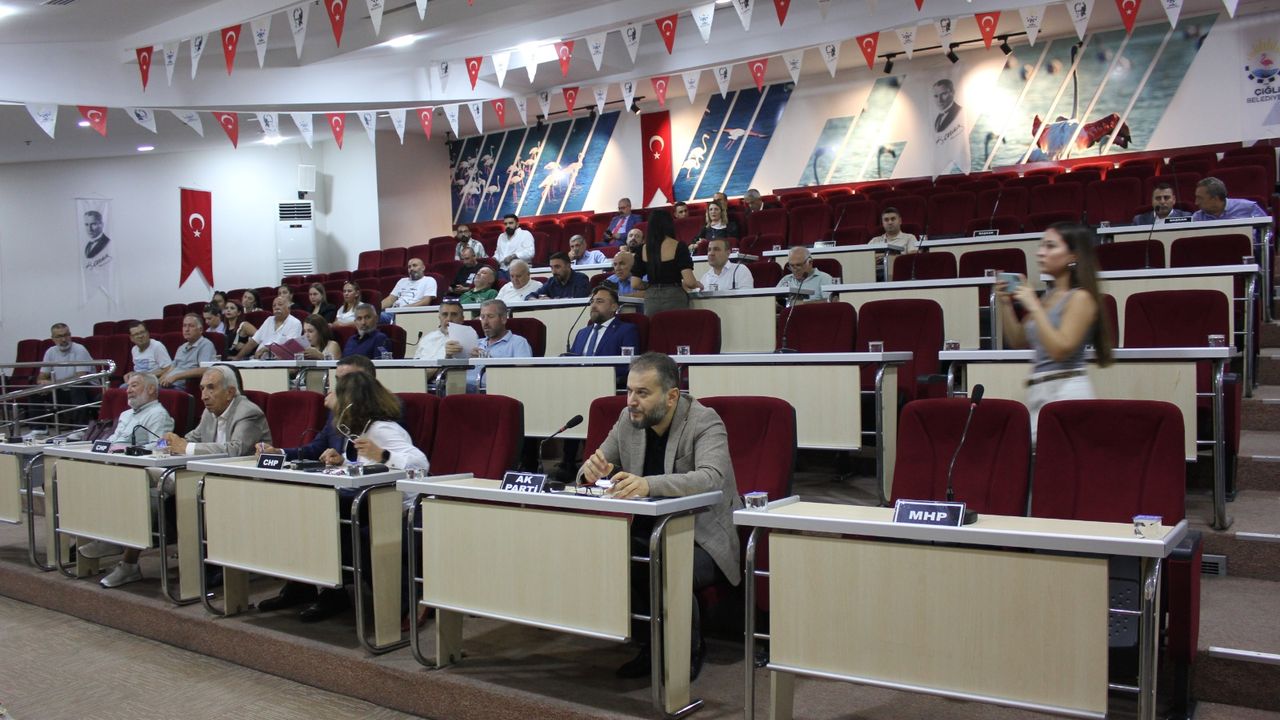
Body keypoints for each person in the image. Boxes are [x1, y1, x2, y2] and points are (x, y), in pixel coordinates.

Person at [580, 352, 742, 680]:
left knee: (664, 562)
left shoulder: (704, 421)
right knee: (610, 553)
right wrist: (589, 472)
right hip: (648, 531)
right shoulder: (629, 419)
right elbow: (592, 465)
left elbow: (712, 478)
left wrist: (648, 484)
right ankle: (650, 644)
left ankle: (686, 650)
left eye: (642, 393)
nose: (631, 401)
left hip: (701, 537)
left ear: (671, 396)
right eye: (629, 391)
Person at [256, 361, 426, 621]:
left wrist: (383, 454)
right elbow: (367, 466)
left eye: (336, 391)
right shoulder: (360, 429)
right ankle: (313, 585)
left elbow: (420, 464)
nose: (329, 394)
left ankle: (398, 603)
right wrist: (342, 461)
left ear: (350, 401)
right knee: (308, 510)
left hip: (395, 506)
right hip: (370, 499)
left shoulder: (383, 429)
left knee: (324, 515)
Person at [101, 366, 270, 589]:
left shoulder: (248, 412)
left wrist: (186, 448)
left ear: (230, 392)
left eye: (211, 388)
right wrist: (166, 443)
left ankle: (124, 549)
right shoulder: (210, 412)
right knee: (145, 488)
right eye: (202, 388)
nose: (204, 395)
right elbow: (192, 437)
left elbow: (236, 449)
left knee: (168, 490)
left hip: (242, 485)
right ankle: (116, 543)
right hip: (208, 479)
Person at [996, 222, 1113, 442]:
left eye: (1050, 246)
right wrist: (1004, 304)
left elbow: (1060, 349)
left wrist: (1033, 305)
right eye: (1041, 246)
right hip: (1039, 393)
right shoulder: (1048, 297)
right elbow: (1018, 338)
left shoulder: (1081, 298)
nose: (1040, 252)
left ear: (1072, 256)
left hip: (1067, 394)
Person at [75, 372, 177, 564]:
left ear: (151, 389)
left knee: (114, 487)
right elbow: (113, 440)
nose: (128, 390)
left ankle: (112, 539)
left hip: (141, 473)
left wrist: (125, 450)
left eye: (134, 385)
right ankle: (102, 536)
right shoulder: (126, 414)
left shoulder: (158, 414)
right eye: (128, 386)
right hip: (116, 468)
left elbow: (160, 446)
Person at [639, 210, 698, 317]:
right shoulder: (678, 246)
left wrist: (652, 286)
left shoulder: (643, 249)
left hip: (651, 298)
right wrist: (697, 284)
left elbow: (635, 283)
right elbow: (690, 282)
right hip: (674, 296)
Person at [466, 299, 533, 392]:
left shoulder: (518, 342)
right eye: (482, 317)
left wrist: (487, 358)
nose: (485, 322)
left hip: (494, 390)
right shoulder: (475, 343)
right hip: (463, 387)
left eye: (490, 316)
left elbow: (524, 374)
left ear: (503, 319)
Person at [36, 323, 95, 425]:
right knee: (35, 392)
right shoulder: (50, 352)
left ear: (70, 335)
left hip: (86, 388)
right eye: (59, 336)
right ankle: (39, 429)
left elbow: (80, 377)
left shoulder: (79, 349)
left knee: (77, 387)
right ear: (53, 338)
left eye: (66, 335)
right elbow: (41, 377)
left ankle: (79, 427)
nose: (63, 339)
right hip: (62, 388)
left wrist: (53, 383)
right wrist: (42, 383)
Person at [570, 287, 640, 357]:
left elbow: (628, 362)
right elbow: (571, 361)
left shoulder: (626, 331)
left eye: (599, 301)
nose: (593, 306)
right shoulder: (581, 333)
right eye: (592, 302)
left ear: (614, 307)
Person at [236, 295, 305, 360]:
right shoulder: (269, 320)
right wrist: (237, 358)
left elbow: (290, 348)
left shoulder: (295, 323)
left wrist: (267, 349)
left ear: (289, 308)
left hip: (279, 362)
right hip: (258, 360)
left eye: (280, 304)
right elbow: (253, 342)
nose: (276, 307)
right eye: (274, 305)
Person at [159, 314, 217, 389]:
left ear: (200, 330)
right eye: (184, 326)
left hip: (183, 387)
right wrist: (161, 378)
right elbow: (172, 367)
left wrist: (176, 377)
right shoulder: (181, 347)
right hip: (168, 385)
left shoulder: (206, 345)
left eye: (191, 326)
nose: (186, 329)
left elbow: (205, 369)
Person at [869, 206, 919, 280]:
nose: (890, 222)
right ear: (882, 223)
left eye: (893, 219)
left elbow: (913, 257)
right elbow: (864, 258)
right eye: (886, 220)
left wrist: (887, 258)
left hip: (899, 274)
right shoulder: (875, 240)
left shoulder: (909, 237)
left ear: (900, 221)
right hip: (874, 275)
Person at [380, 258, 437, 323]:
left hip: (409, 314)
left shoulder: (429, 280)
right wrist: (375, 308)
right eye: (409, 267)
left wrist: (403, 309)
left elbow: (426, 301)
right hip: (392, 312)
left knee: (375, 318)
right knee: (373, 315)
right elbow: (390, 299)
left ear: (423, 268)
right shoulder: (402, 281)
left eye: (414, 265)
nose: (411, 268)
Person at [1191, 177, 1268, 222]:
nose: (1196, 203)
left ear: (1215, 199)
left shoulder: (1249, 208)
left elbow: (1267, 231)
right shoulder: (1198, 217)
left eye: (1200, 198)